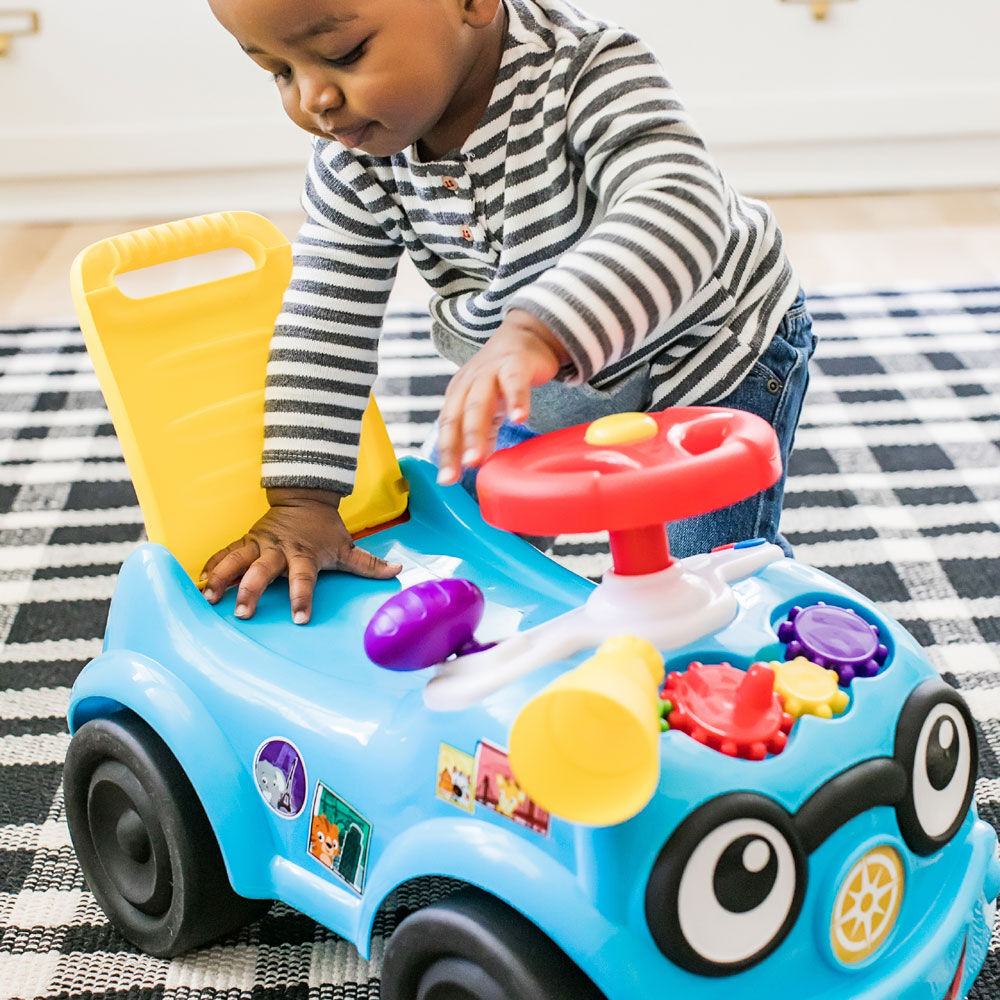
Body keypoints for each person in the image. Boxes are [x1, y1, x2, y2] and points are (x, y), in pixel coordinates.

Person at [200, 0, 816, 624]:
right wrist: (304, 497)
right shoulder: (355, 157)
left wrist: (538, 329)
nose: (314, 99)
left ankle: (759, 663)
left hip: (707, 347)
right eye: (278, 71)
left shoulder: (586, 71)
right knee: (459, 542)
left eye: (343, 55)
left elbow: (679, 205)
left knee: (707, 585)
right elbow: (323, 320)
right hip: (531, 381)